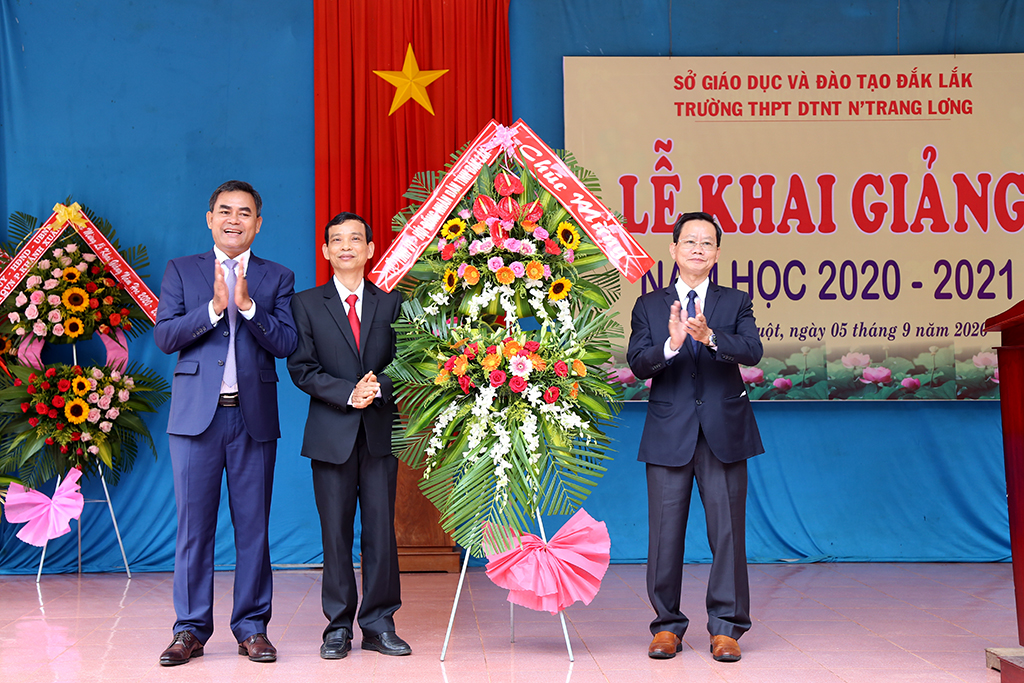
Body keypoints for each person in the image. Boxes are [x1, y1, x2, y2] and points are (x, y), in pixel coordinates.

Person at [154, 180, 298, 666]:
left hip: (253, 419)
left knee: (254, 527)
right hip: (196, 421)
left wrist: (248, 307)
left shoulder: (277, 276)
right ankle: (189, 630)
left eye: (245, 213)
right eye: (225, 211)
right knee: (193, 528)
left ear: (258, 223)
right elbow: (165, 336)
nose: (234, 220)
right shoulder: (182, 270)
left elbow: (286, 344)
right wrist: (215, 308)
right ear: (210, 218)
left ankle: (252, 627)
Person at [626, 211, 763, 663]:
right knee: (665, 536)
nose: (698, 249)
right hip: (670, 433)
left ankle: (726, 629)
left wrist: (710, 337)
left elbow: (752, 350)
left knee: (727, 533)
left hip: (724, 432)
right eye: (690, 242)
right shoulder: (649, 305)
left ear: (718, 253)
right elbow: (639, 363)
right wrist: (670, 344)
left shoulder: (735, 301)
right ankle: (666, 626)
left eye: (707, 243)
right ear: (673, 250)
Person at [287, 212, 408, 660]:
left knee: (380, 532)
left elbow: (406, 362)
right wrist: (346, 392)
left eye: (354, 239)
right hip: (330, 433)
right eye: (336, 240)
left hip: (377, 432)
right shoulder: (305, 303)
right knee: (334, 534)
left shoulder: (391, 303)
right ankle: (337, 627)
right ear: (325, 251)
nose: (345, 246)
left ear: (370, 249)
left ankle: (379, 624)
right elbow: (301, 366)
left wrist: (378, 388)